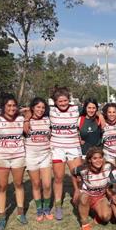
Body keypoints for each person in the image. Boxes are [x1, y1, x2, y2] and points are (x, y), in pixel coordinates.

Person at [0, 94, 27, 230]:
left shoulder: (21, 118)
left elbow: (28, 131)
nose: (12, 108)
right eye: (9, 106)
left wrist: (28, 113)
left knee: (18, 184)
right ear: (3, 107)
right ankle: (2, 217)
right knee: (2, 187)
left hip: (19, 156)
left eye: (14, 105)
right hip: (2, 157)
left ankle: (20, 213)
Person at [49, 87, 82, 221]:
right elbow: (31, 110)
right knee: (58, 177)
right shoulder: (50, 110)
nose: (63, 103)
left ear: (69, 100)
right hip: (57, 148)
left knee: (77, 176)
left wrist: (101, 116)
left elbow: (93, 110)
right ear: (55, 101)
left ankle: (78, 199)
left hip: (73, 147)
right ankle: (58, 205)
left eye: (65, 101)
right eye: (60, 101)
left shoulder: (76, 109)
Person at [23, 97, 53, 222]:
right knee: (36, 184)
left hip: (45, 155)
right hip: (31, 156)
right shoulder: (25, 120)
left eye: (42, 107)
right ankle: (39, 210)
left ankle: (46, 209)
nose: (40, 110)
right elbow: (11, 112)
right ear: (33, 107)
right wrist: (26, 117)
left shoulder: (47, 120)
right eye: (37, 107)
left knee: (46, 185)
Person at [73, 147, 113, 230]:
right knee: (84, 197)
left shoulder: (108, 166)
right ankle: (85, 223)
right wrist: (76, 189)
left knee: (106, 217)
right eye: (95, 158)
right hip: (87, 196)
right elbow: (73, 174)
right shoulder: (82, 169)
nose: (98, 160)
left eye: (100, 157)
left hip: (100, 197)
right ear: (90, 160)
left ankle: (95, 215)